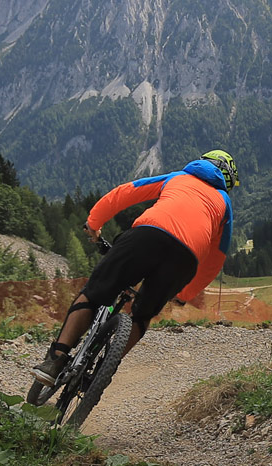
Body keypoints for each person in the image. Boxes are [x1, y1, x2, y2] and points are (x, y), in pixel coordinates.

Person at [31, 149, 239, 385]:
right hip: (185, 259)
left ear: (201, 162)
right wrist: (185, 294)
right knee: (142, 316)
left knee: (94, 294)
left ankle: (56, 359)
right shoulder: (224, 202)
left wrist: (93, 224)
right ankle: (102, 373)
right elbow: (216, 258)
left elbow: (125, 193)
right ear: (228, 180)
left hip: (146, 237)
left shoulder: (177, 177)